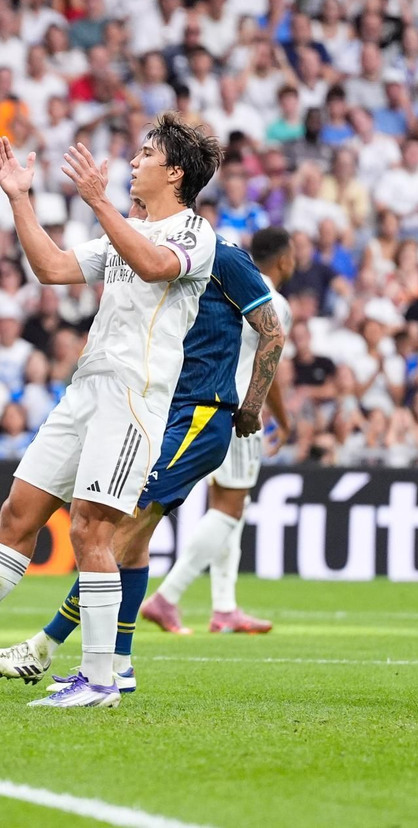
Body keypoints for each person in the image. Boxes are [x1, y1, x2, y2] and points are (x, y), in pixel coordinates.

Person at [0, 113, 222, 710]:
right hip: (85, 390)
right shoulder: (130, 228)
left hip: (131, 397)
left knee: (90, 528)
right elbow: (52, 268)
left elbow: (151, 265)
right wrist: (20, 199)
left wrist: (96, 202)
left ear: (174, 172)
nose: (135, 161)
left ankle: (98, 680)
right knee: (20, 511)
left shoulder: (193, 234)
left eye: (146, 153)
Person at [0, 224, 288, 689]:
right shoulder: (158, 252)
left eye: (140, 199)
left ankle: (45, 646)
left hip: (199, 415)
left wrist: (252, 404)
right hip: (164, 411)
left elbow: (273, 332)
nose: (134, 210)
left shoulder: (217, 254)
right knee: (134, 541)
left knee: (116, 534)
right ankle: (120, 665)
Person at [138, 227, 295, 636]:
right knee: (229, 508)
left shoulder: (222, 282)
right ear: (283, 259)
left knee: (230, 509)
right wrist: (282, 417)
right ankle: (167, 597)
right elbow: (270, 360)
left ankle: (225, 607)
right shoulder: (273, 301)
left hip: (198, 401)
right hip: (241, 410)